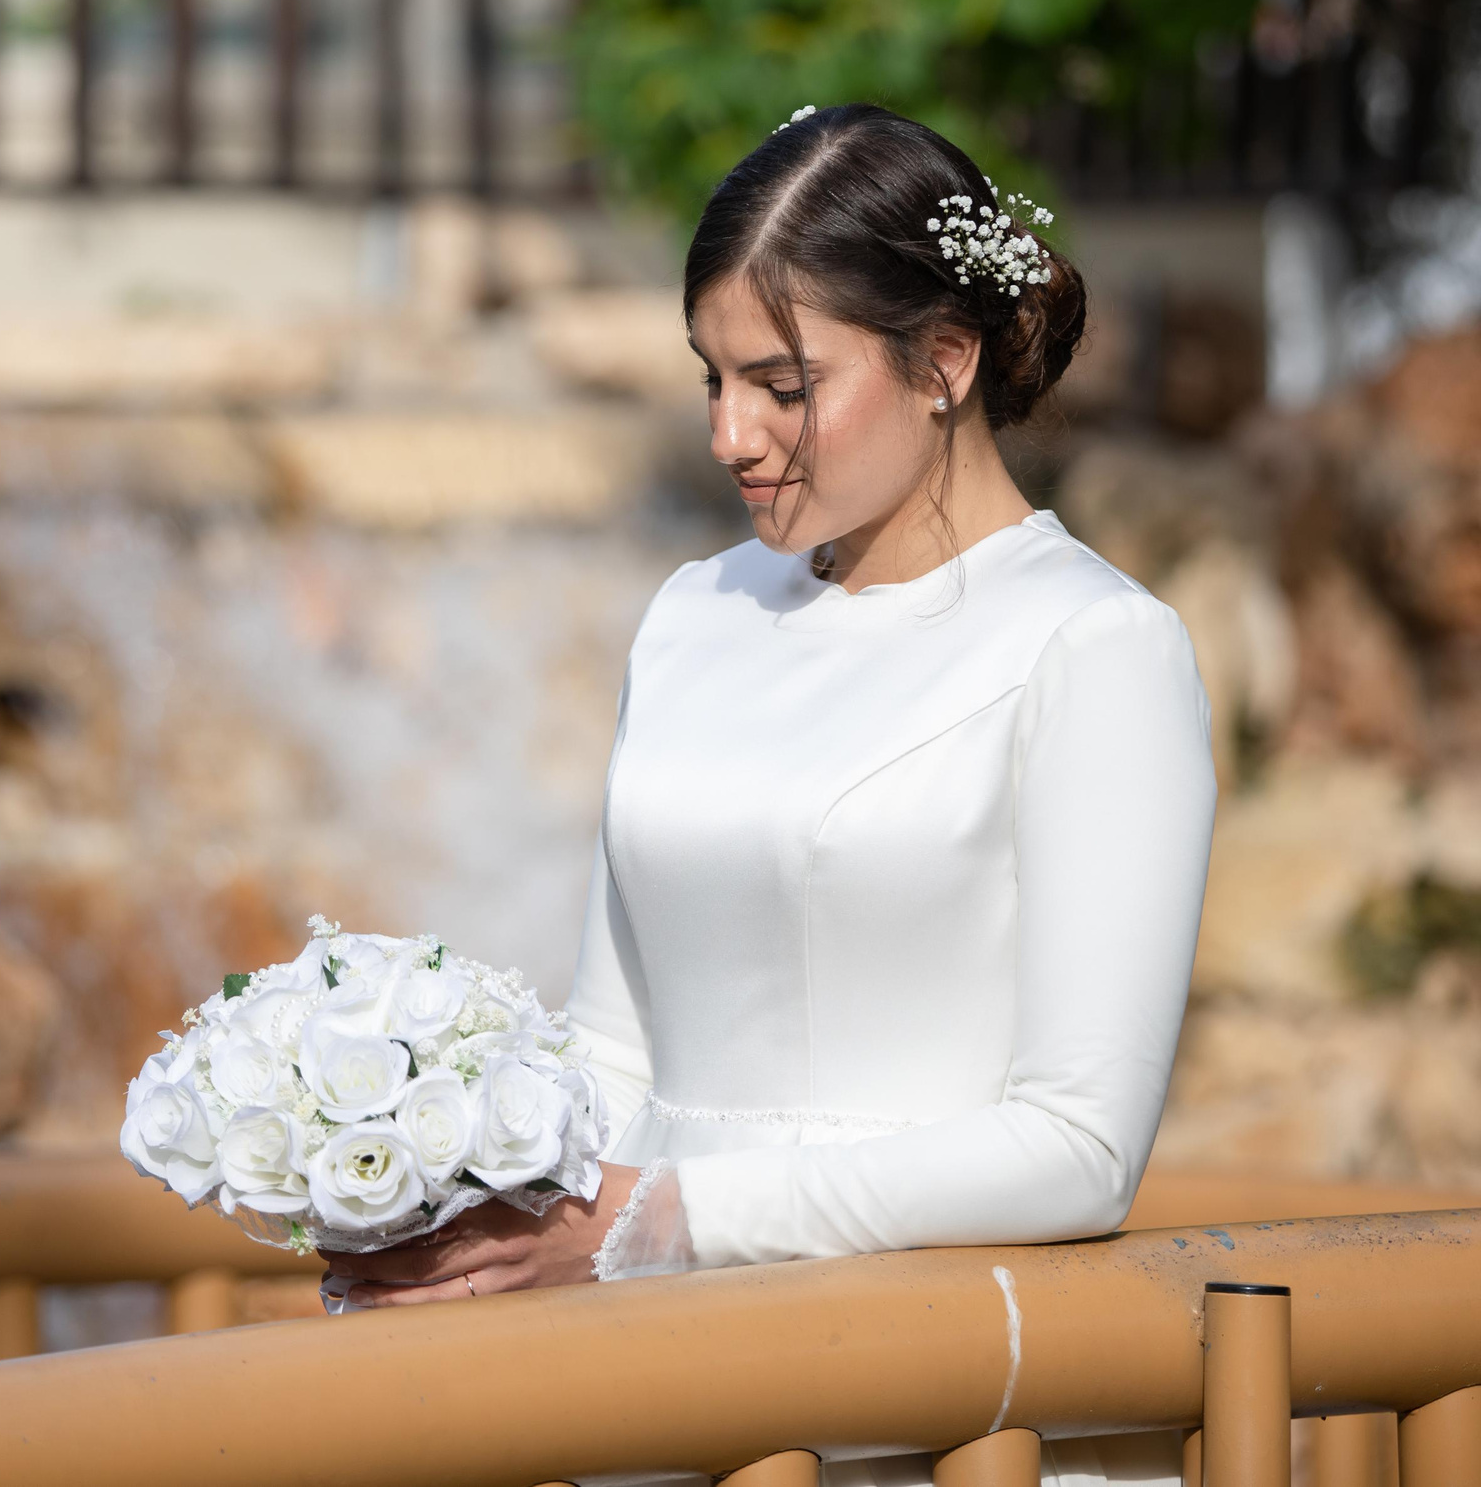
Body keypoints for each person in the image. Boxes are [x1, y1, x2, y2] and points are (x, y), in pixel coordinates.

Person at [324, 104, 1216, 1484]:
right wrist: (464, 1198)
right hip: (663, 1383)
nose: (733, 436)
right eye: (711, 379)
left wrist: (659, 1222)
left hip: (931, 1392)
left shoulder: (1095, 649)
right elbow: (614, 1055)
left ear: (945, 362)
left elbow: (1079, 1147)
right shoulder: (692, 614)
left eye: (784, 386)